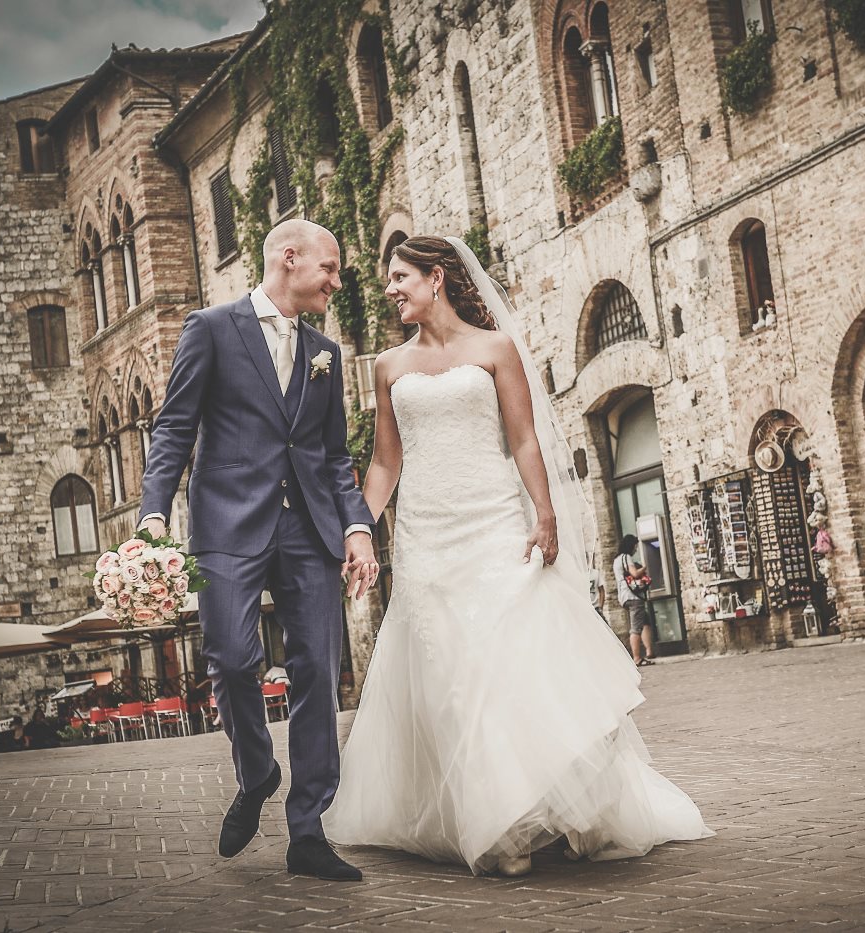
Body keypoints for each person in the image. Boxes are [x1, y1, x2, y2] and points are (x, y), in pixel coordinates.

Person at [323, 235, 711, 877]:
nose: (390, 289)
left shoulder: (495, 348)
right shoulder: (388, 366)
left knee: (510, 657)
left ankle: (543, 808)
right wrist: (358, 532)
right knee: (451, 672)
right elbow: (386, 461)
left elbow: (525, 437)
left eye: (399, 277)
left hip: (495, 519)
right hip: (425, 531)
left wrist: (546, 513)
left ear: (436, 277)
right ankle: (498, 821)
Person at [138, 218, 378, 882]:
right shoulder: (210, 329)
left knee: (318, 670)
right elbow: (174, 427)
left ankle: (308, 829)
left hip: (308, 530)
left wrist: (355, 525)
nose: (336, 279)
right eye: (328, 267)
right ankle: (258, 770)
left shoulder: (324, 350)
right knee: (233, 656)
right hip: (225, 526)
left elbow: (333, 457)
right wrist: (154, 511)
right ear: (289, 258)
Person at [614, 535, 656, 666]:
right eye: (635, 546)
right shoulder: (626, 557)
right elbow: (635, 574)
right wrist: (645, 567)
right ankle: (636, 658)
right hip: (632, 596)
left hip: (624, 596)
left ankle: (649, 651)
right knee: (636, 627)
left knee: (645, 621)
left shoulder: (616, 560)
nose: (636, 549)